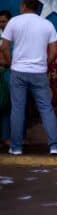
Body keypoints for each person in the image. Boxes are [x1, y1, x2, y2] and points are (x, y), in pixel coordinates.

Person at [0, 0, 57, 155]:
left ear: (23, 6)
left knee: (17, 109)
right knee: (46, 108)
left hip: (18, 71)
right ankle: (55, 146)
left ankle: (16, 147)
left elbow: (4, 46)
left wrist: (11, 62)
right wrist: (44, 63)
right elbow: (54, 51)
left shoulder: (14, 22)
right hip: (39, 72)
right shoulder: (47, 24)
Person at [0, 9, 12, 148]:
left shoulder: (14, 35)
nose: (2, 24)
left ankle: (5, 137)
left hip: (9, 73)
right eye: (0, 21)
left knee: (7, 106)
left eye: (4, 21)